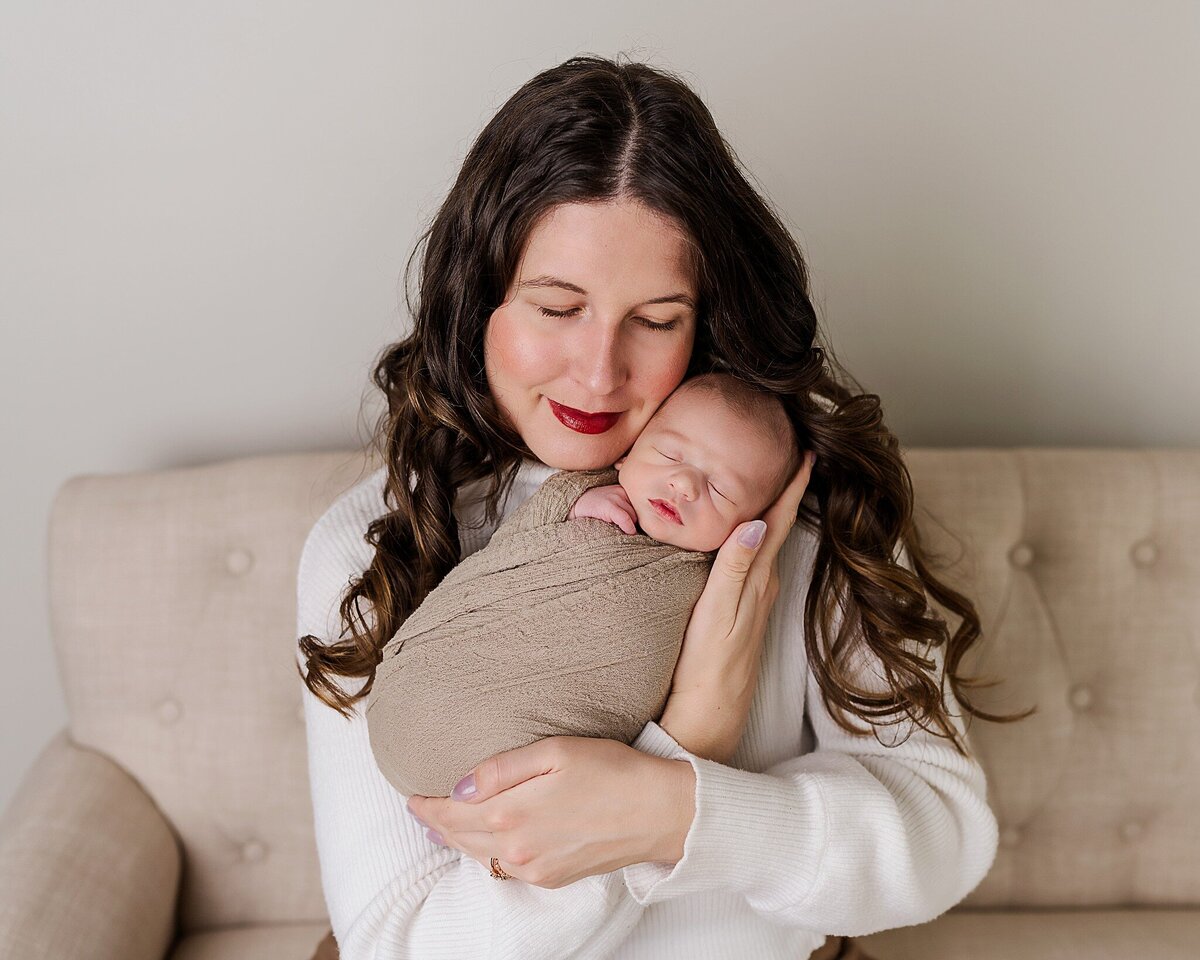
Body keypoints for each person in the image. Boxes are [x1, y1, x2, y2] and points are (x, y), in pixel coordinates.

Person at [296, 54, 1023, 960]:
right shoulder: (373, 544)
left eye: (656, 319)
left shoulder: (785, 511)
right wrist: (682, 744)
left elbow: (945, 839)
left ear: (708, 320)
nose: (600, 373)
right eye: (558, 306)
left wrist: (673, 811)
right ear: (477, 302)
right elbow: (402, 944)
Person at [365, 373, 803, 800]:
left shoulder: (719, 584)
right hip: (427, 689)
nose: (685, 484)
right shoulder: (581, 494)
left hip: (534, 757)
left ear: (753, 522)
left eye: (722, 489)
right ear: (625, 455)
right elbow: (518, 543)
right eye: (670, 455)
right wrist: (575, 502)